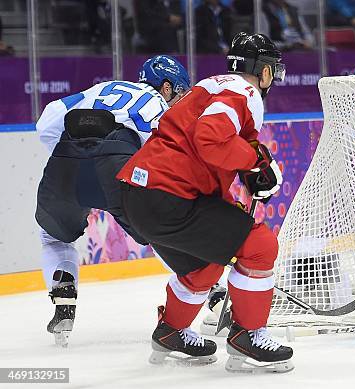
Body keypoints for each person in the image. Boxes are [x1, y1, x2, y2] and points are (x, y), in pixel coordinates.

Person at [117, 32, 293, 372]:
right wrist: (256, 159)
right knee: (259, 246)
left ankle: (170, 332)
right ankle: (248, 335)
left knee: (205, 264)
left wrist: (240, 181)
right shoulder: (245, 92)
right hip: (167, 195)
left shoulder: (208, 85)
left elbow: (200, 158)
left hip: (138, 194)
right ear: (265, 72)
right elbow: (210, 139)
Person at [35, 55, 190, 347]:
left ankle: (63, 294)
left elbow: (46, 122)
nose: (179, 99)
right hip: (118, 165)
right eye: (179, 92)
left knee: (53, 237)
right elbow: (171, 153)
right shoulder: (158, 104)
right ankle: (216, 293)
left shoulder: (102, 88)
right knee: (162, 232)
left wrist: (73, 156)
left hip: (65, 160)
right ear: (166, 87)